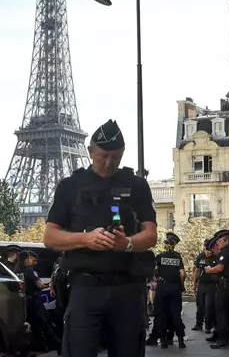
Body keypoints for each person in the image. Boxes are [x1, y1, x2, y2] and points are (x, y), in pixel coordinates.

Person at [43, 119, 158, 357]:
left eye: (115, 158)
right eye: (102, 156)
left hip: (128, 286)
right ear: (90, 151)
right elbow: (50, 237)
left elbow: (151, 234)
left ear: (123, 154)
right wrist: (86, 239)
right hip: (85, 287)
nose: (108, 163)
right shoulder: (70, 186)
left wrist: (127, 244)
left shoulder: (136, 186)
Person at [204, 229, 229, 349]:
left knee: (221, 311)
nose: (218, 244)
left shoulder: (226, 251)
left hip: (225, 285)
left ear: (225, 241)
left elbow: (220, 268)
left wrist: (209, 270)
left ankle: (223, 339)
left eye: (219, 241)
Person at [19, 250, 62, 354]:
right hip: (34, 302)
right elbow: (40, 285)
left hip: (24, 302)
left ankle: (29, 349)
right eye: (34, 260)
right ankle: (59, 346)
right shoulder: (30, 270)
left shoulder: (18, 270)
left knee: (29, 326)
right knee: (45, 324)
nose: (35, 263)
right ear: (27, 259)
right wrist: (50, 284)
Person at [151, 232, 186, 349]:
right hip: (175, 288)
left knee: (161, 314)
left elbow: (154, 274)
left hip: (162, 287)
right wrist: (181, 286)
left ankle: (163, 341)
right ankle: (181, 340)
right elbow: (182, 274)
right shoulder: (177, 257)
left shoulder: (159, 257)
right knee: (176, 314)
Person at [192, 239, 217, 333]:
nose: (209, 252)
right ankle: (198, 324)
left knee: (210, 305)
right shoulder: (200, 257)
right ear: (204, 249)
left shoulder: (216, 257)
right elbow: (196, 270)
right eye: (207, 250)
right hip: (202, 284)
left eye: (211, 251)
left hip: (211, 285)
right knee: (200, 304)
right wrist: (194, 283)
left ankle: (208, 326)